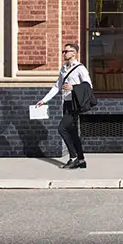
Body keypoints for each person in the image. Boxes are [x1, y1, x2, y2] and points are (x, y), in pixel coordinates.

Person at [37, 41, 93, 170]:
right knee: (73, 132)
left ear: (73, 53)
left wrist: (73, 87)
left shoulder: (80, 68)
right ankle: (81, 160)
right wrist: (44, 100)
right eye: (63, 51)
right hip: (65, 103)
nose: (64, 53)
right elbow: (57, 86)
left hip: (74, 104)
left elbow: (88, 86)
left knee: (62, 128)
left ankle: (73, 158)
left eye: (66, 51)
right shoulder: (63, 68)